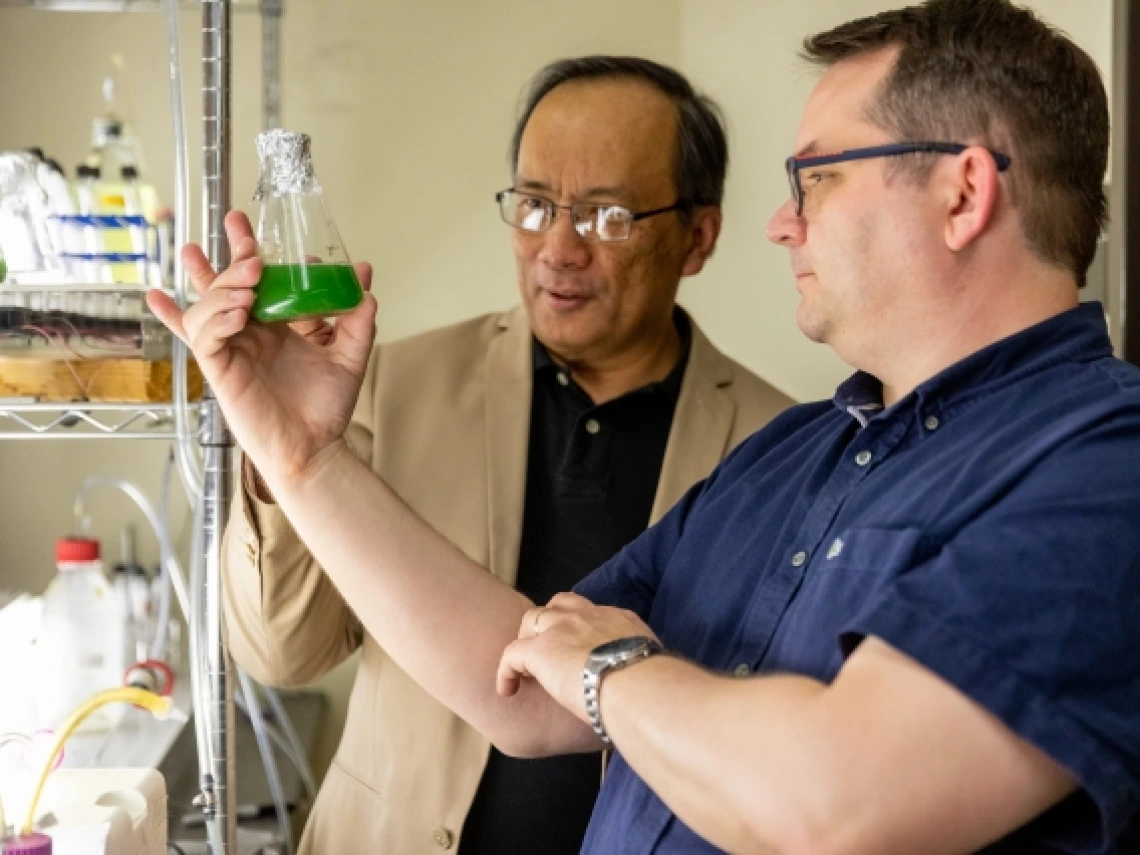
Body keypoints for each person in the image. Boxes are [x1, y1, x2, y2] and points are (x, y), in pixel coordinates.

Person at [150, 0, 1140, 851]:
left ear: (962, 192)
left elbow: (834, 806)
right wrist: (303, 454)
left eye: (821, 178)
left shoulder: (1103, 468)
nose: (783, 222)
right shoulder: (799, 454)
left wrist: (613, 670)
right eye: (536, 204)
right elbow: (527, 685)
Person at [217, 56, 792, 855]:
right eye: (533, 204)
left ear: (697, 237)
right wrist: (278, 455)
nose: (557, 248)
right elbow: (282, 650)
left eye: (607, 216)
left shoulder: (781, 449)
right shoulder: (392, 383)